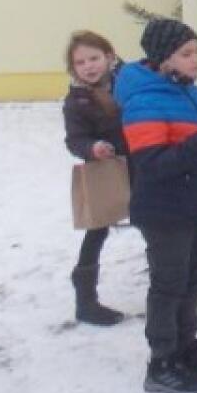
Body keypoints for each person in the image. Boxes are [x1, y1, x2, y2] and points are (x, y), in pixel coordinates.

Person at [115, 19, 197, 393]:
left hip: (192, 203)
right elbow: (153, 164)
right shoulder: (143, 100)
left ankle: (187, 350)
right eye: (186, 54)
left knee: (192, 280)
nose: (195, 60)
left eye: (196, 52)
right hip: (162, 209)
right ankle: (162, 362)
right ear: (163, 58)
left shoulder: (191, 95)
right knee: (168, 284)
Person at [62, 30, 128, 326]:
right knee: (97, 228)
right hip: (106, 170)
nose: (88, 66)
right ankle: (85, 298)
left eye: (94, 58)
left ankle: (166, 285)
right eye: (80, 62)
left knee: (153, 224)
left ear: (109, 57)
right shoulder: (76, 101)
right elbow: (75, 139)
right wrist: (93, 148)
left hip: (141, 163)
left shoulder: (128, 82)